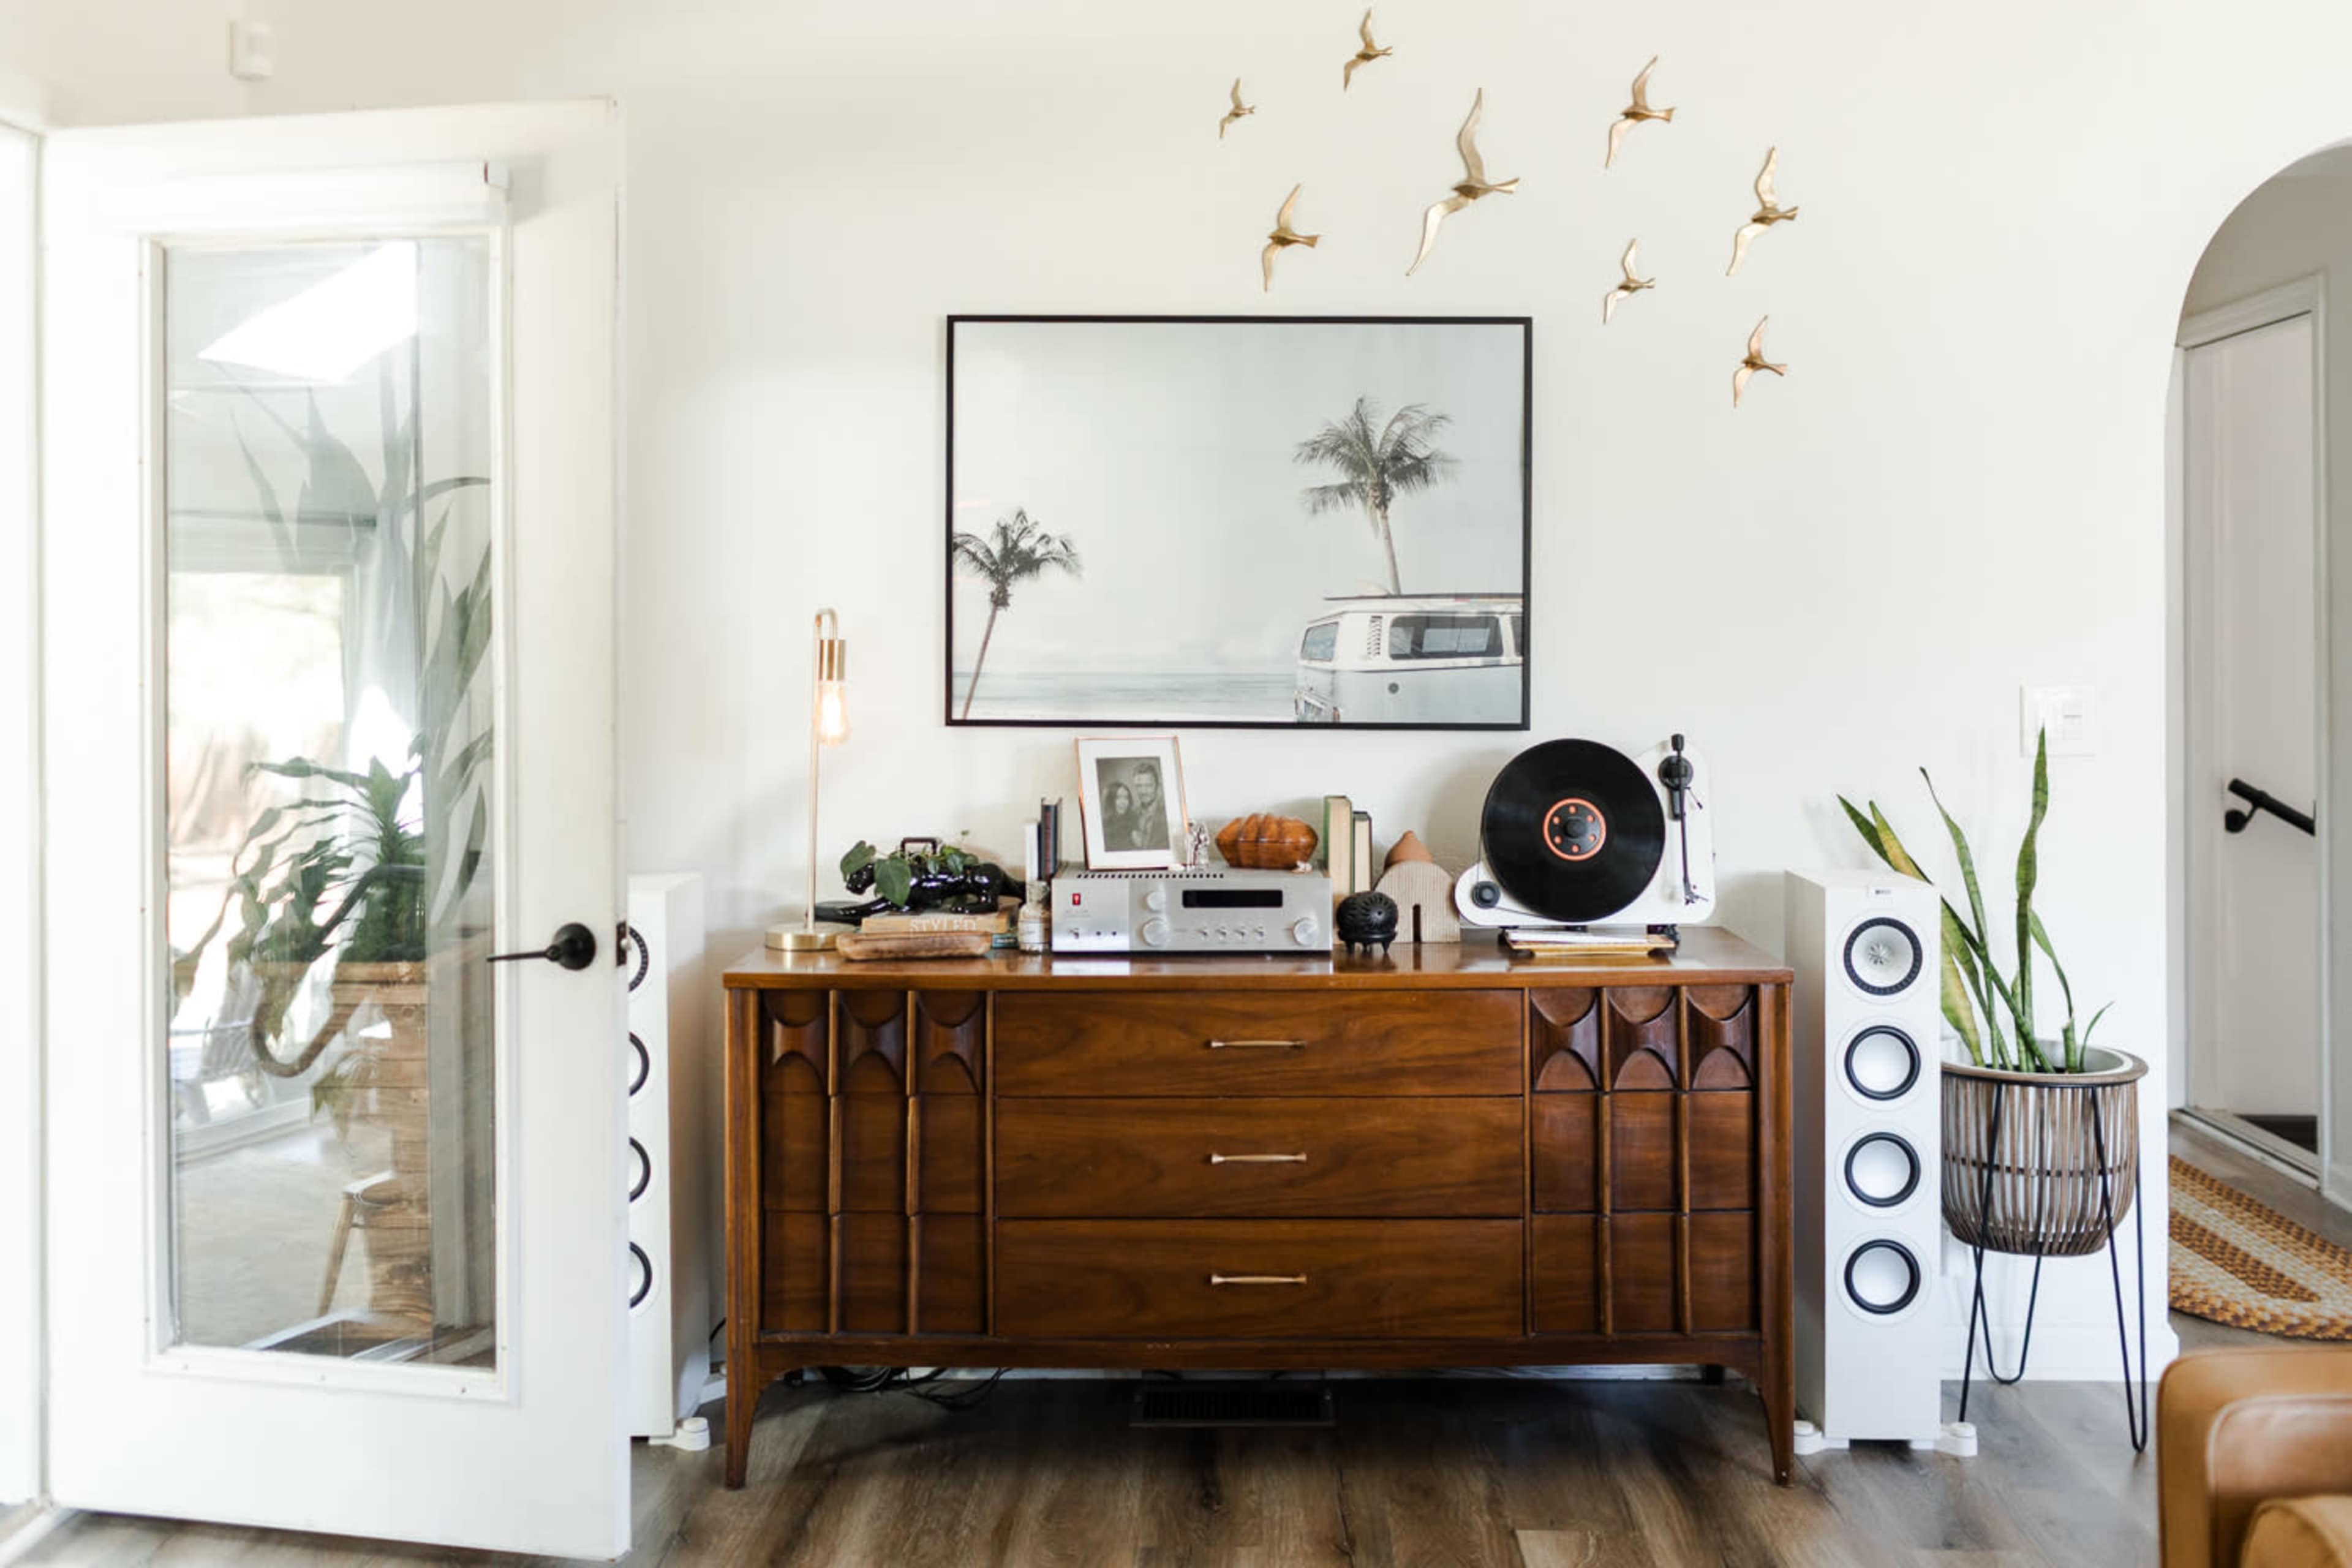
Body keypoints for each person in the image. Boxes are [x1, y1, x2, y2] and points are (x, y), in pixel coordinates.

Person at [1128, 763, 1169, 851]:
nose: (1143, 791)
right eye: (1139, 786)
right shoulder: (1131, 814)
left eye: (1148, 786)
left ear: (1158, 786)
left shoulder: (1168, 813)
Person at [1099, 779, 1136, 853]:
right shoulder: (1104, 826)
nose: (1123, 802)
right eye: (1118, 798)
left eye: (1126, 798)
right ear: (1110, 800)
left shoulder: (1134, 821)